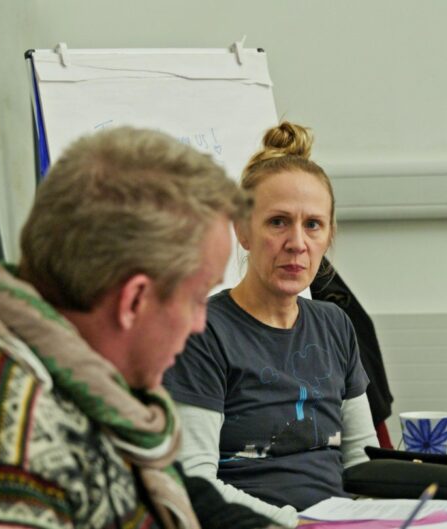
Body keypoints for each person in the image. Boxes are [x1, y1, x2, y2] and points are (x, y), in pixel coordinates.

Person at [0, 127, 279, 529]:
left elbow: (176, 494)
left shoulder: (83, 379)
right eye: (195, 297)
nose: (199, 324)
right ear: (134, 301)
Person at [162, 122, 378, 527]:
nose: (297, 242)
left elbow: (362, 465)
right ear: (243, 230)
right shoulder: (203, 332)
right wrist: (298, 525)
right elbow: (195, 483)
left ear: (329, 234)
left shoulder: (335, 325)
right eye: (278, 222)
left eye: (313, 224)